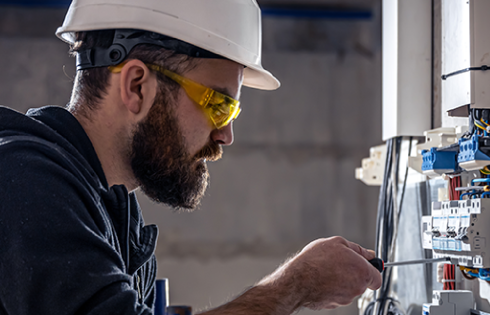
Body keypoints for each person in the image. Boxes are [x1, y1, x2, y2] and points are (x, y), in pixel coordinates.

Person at [0, 0, 381, 314]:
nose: (226, 134)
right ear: (136, 85)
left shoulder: (112, 213)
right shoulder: (24, 184)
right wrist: (295, 286)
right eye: (218, 104)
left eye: (231, 113)